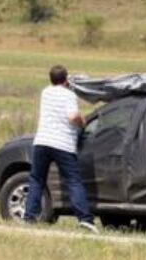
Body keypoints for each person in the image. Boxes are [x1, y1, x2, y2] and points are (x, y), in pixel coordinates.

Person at [24, 65, 98, 233]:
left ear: (51, 79)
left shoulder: (45, 92)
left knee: (37, 180)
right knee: (73, 181)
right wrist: (82, 121)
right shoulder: (69, 95)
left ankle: (29, 217)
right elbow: (72, 116)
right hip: (62, 144)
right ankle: (85, 219)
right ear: (66, 79)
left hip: (42, 142)